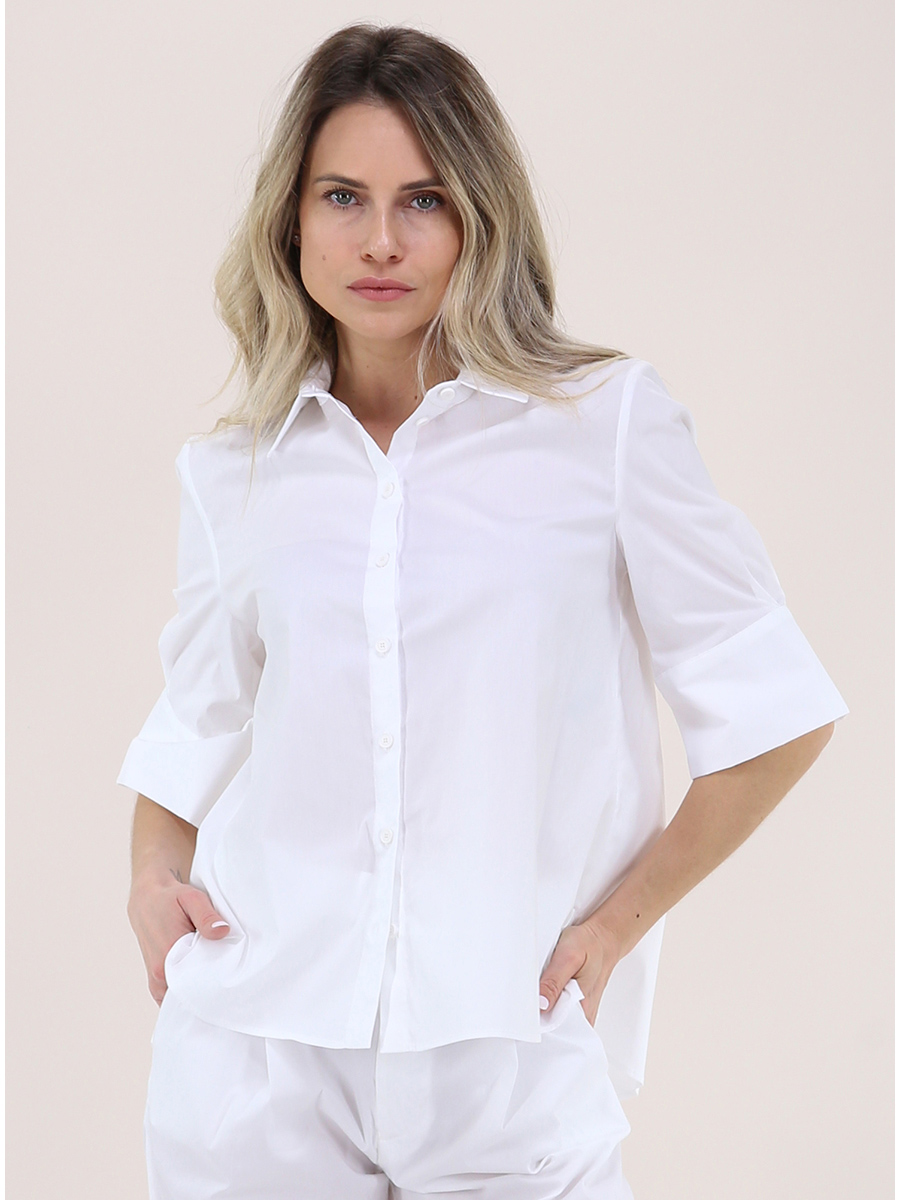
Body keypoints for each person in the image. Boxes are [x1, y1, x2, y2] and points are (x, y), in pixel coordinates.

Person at [118, 22, 850, 1200]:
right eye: (343, 197)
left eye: (425, 200)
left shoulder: (603, 425)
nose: (381, 240)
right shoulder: (237, 469)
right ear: (291, 220)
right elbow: (199, 718)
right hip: (255, 1055)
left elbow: (775, 714)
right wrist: (152, 882)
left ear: (481, 218)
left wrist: (615, 928)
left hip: (509, 1054)